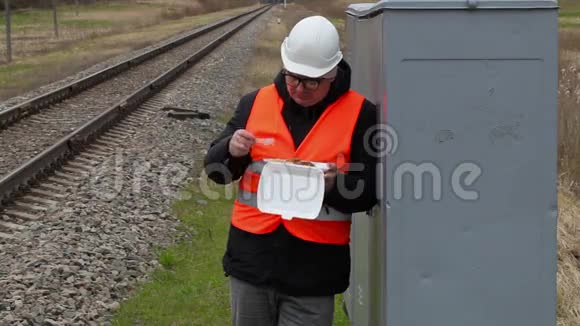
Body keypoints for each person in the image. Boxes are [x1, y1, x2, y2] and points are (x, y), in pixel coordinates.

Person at [204, 15, 378, 326]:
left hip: (314, 274)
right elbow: (217, 172)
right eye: (292, 76)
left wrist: (335, 185)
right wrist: (230, 150)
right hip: (252, 264)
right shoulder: (254, 103)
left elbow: (369, 192)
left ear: (333, 72)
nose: (300, 87)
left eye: (312, 81)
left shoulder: (361, 114)